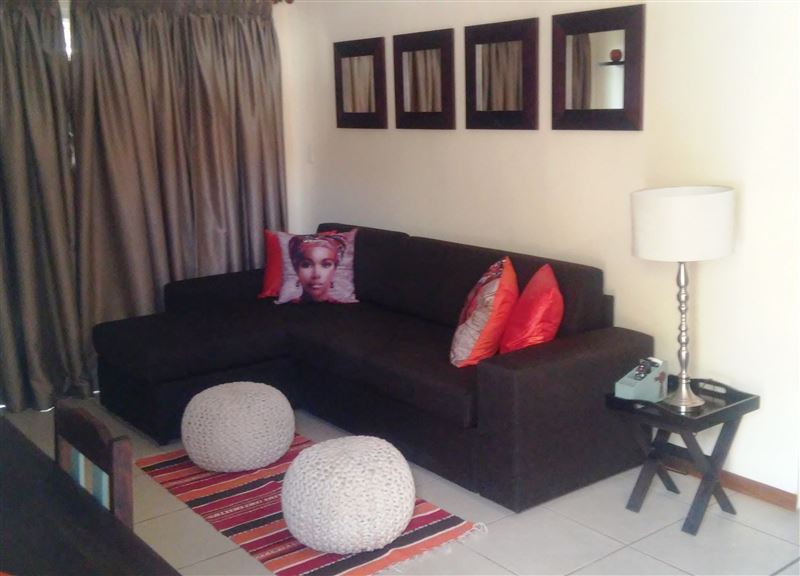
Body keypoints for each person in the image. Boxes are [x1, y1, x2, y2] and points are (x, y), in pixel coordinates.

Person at [288, 234, 347, 302]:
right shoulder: (287, 306)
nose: (316, 274)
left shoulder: (343, 306)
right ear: (296, 269)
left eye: (326, 265)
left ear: (335, 269)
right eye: (306, 265)